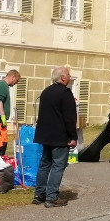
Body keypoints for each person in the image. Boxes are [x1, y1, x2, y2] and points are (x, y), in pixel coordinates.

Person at [33, 66, 77, 208]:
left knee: (45, 164)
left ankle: (39, 194)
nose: (70, 77)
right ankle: (51, 197)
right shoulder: (65, 93)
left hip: (45, 134)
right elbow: (70, 118)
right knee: (58, 165)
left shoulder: (46, 91)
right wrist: (73, 136)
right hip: (59, 135)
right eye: (68, 75)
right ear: (62, 77)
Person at [0, 70, 20, 156]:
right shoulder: (2, 85)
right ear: (13, 77)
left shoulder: (3, 85)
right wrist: (3, 117)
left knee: (2, 145)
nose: (16, 83)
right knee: (0, 145)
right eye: (17, 80)